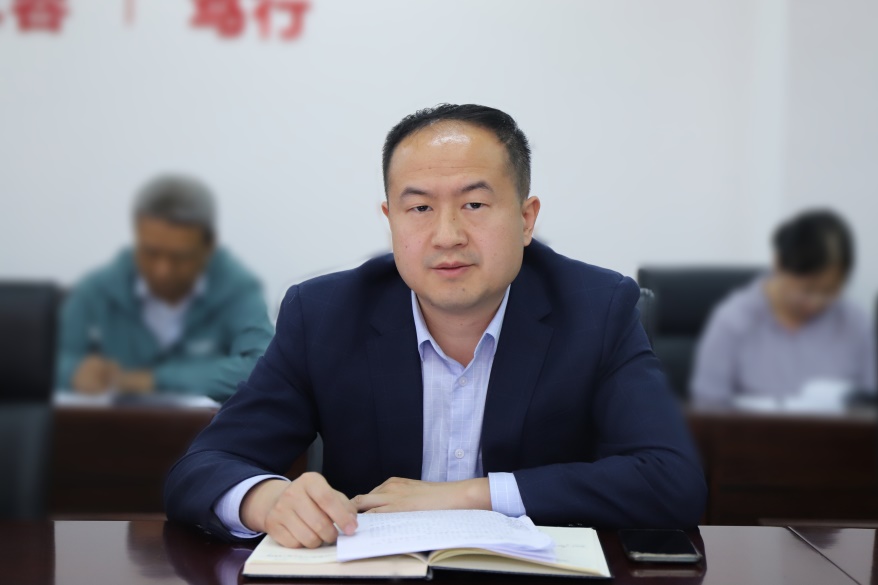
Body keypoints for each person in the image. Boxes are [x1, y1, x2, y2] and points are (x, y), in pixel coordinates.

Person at [165, 104, 706, 547]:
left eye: (474, 204)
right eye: (419, 209)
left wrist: (472, 495)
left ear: (526, 219)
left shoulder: (597, 309)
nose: (447, 235)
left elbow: (672, 481)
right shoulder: (324, 313)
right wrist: (267, 501)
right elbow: (201, 468)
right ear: (391, 221)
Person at [55, 175, 274, 403]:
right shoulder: (100, 287)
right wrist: (74, 373)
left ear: (208, 246)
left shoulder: (237, 289)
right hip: (112, 423)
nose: (162, 271)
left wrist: (155, 379)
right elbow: (47, 361)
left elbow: (264, 368)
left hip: (207, 425)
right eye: (150, 253)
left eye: (179, 257)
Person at [691, 209, 875, 405]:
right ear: (778, 264)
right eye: (807, 290)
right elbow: (707, 405)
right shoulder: (732, 321)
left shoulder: (856, 322)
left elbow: (870, 404)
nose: (816, 302)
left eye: (830, 291)